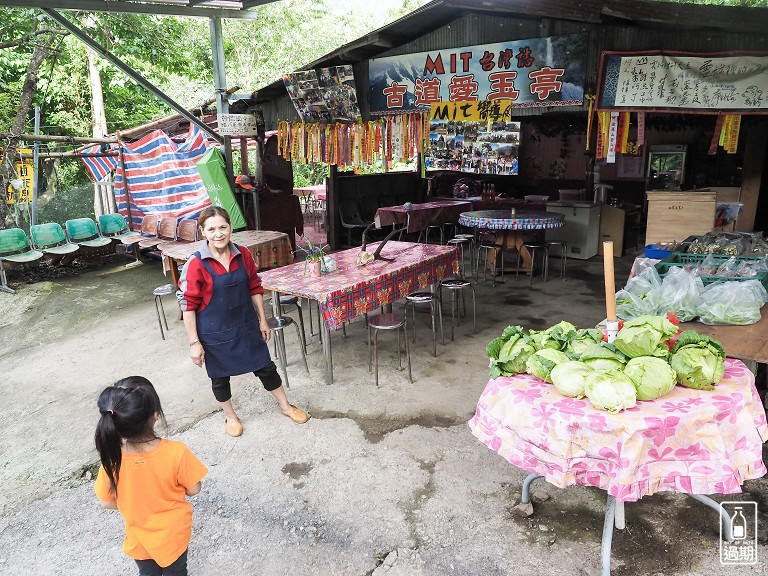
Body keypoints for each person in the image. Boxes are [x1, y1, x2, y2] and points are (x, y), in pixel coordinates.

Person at [177, 206, 309, 437]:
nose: (218, 234)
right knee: (219, 378)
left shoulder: (243, 254)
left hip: (246, 324)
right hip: (213, 331)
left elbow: (254, 287)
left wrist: (262, 320)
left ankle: (286, 406)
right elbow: (188, 305)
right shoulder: (196, 264)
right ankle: (231, 416)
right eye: (211, 229)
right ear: (203, 231)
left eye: (222, 227)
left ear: (230, 228)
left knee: (266, 367)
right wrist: (194, 343)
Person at [94, 376, 207, 576]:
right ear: (155, 415)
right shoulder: (176, 452)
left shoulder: (112, 460)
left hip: (139, 539)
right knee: (177, 571)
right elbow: (194, 489)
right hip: (173, 536)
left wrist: (133, 502)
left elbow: (106, 502)